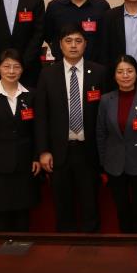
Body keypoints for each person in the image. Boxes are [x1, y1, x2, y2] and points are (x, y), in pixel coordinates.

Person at [34, 24, 109, 233]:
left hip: (89, 151)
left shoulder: (99, 72)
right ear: (60, 45)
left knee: (90, 207)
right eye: (68, 41)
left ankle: (91, 248)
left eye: (78, 41)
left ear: (85, 44)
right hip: (59, 152)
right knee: (63, 208)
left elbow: (106, 115)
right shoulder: (48, 74)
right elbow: (41, 117)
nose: (73, 46)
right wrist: (44, 151)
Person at [0, 49, 40, 232]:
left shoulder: (31, 95)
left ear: (22, 69)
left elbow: (37, 129)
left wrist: (36, 157)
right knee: (1, 216)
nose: (11, 71)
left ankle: (23, 248)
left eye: (16, 67)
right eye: (6, 66)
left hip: (24, 164)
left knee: (23, 214)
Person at [97, 55, 137, 234]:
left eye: (129, 71)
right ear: (114, 75)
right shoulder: (105, 100)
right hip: (114, 164)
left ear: (136, 74)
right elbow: (101, 133)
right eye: (120, 71)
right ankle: (125, 245)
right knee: (121, 208)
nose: (125, 75)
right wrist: (104, 162)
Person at [44, 0, 110, 63]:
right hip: (62, 66)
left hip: (94, 66)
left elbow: (106, 39)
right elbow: (48, 36)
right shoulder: (55, 6)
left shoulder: (101, 6)